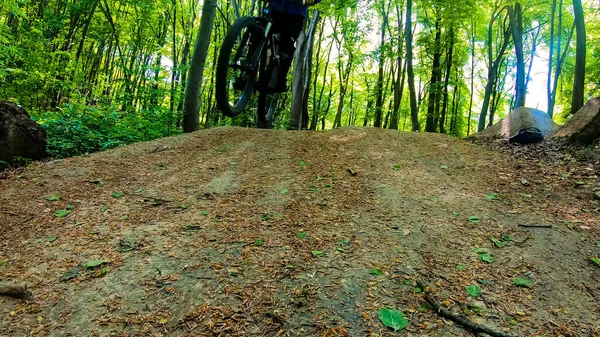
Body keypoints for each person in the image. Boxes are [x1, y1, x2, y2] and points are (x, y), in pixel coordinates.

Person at [266, 0, 320, 92]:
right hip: (274, 8)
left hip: (295, 13)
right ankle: (247, 73)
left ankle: (281, 80)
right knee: (260, 34)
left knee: (286, 46)